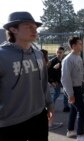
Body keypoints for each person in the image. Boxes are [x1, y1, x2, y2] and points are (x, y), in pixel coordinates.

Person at [0, 11, 53, 141]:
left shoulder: (39, 54)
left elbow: (44, 83)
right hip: (10, 123)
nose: (34, 30)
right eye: (29, 26)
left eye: (35, 27)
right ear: (13, 29)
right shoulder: (2, 56)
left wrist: (50, 104)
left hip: (39, 117)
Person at [61, 36, 84, 141]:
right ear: (73, 46)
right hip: (72, 89)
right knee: (82, 110)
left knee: (75, 110)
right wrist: (70, 94)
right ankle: (80, 135)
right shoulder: (68, 59)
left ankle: (70, 131)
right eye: (80, 43)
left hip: (77, 88)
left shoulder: (78, 57)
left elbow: (81, 73)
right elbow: (65, 79)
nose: (82, 45)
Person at [48, 46, 70, 112]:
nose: (59, 54)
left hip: (64, 80)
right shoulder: (53, 61)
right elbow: (49, 73)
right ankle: (50, 107)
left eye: (60, 52)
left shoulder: (65, 60)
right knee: (56, 94)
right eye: (57, 52)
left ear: (63, 53)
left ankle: (66, 107)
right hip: (57, 81)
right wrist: (52, 81)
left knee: (66, 94)